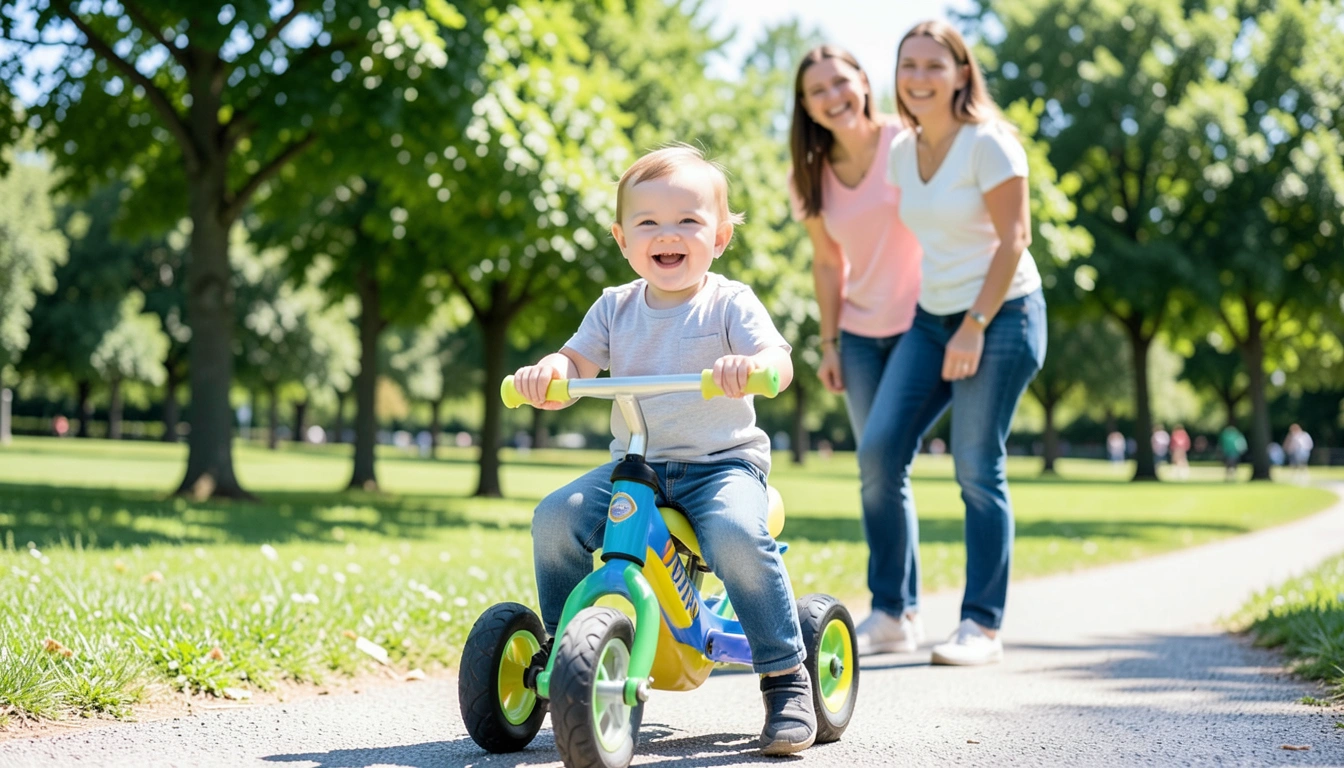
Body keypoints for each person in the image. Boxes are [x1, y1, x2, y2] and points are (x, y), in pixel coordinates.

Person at [514, 146, 815, 755]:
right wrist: (549, 372)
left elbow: (779, 361)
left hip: (721, 464)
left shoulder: (729, 302)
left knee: (734, 533)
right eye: (648, 223)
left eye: (687, 221)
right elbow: (575, 363)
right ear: (623, 240)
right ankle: (565, 649)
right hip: (636, 468)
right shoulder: (614, 307)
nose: (667, 235)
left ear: (721, 236)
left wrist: (752, 367)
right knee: (554, 518)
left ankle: (785, 674)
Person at [853, 19, 1047, 667]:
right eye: (908, 66)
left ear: (962, 72)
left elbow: (1014, 239)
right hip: (932, 319)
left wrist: (975, 326)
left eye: (935, 65)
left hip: (1004, 314)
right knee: (879, 450)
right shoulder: (903, 151)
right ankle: (892, 613)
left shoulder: (989, 145)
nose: (919, 78)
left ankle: (982, 625)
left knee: (974, 465)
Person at [787, 45, 924, 652]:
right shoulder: (807, 174)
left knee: (882, 459)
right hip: (862, 335)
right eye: (817, 90)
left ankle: (895, 609)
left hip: (927, 323)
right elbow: (826, 260)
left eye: (840, 82)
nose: (832, 96)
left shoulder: (908, 141)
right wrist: (831, 340)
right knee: (879, 468)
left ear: (864, 82)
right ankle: (899, 614)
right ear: (806, 107)